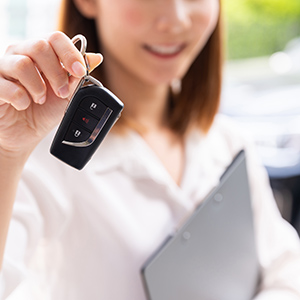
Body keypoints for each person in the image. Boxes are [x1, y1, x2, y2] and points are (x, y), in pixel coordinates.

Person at [0, 0, 300, 299]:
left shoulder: (228, 140)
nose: (176, 19)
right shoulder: (37, 151)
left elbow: (285, 268)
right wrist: (7, 155)